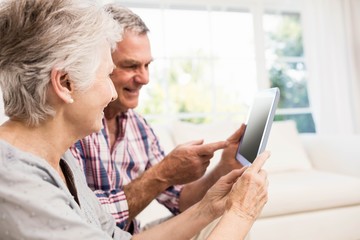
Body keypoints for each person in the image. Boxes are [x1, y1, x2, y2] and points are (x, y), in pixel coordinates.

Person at [0, 0, 270, 239]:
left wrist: (211, 206)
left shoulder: (60, 160)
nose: (110, 93)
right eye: (107, 75)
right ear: (65, 83)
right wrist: (242, 213)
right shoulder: (14, 179)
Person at [71, 3, 257, 235]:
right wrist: (163, 172)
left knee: (222, 218)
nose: (145, 78)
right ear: (99, 64)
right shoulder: (71, 124)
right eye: (131, 66)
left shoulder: (138, 127)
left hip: (132, 234)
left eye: (147, 65)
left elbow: (181, 201)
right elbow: (83, 220)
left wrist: (224, 166)